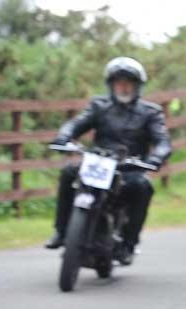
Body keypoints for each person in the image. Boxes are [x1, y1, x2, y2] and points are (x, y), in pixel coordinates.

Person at [45, 57, 172, 265]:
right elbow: (76, 124)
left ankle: (128, 244)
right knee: (69, 172)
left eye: (128, 82)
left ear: (137, 86)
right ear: (111, 85)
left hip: (129, 168)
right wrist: (63, 137)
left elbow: (162, 141)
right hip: (98, 163)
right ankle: (60, 231)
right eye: (119, 82)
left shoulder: (151, 113)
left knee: (143, 186)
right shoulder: (99, 106)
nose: (123, 87)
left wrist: (157, 157)